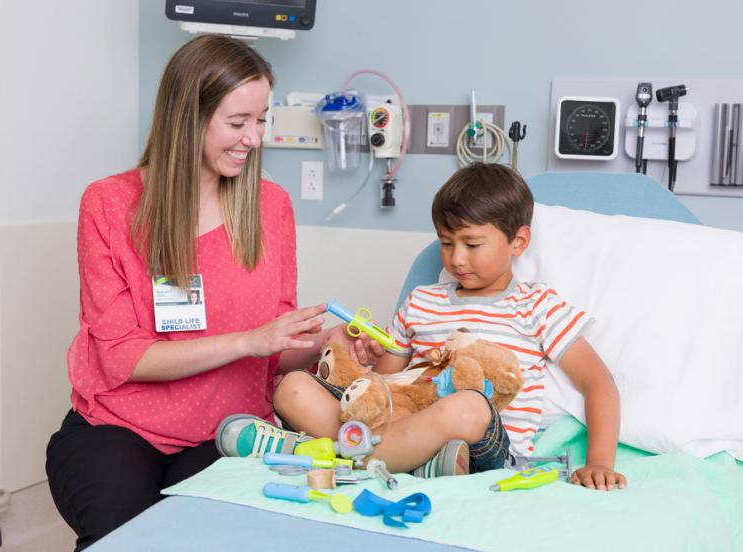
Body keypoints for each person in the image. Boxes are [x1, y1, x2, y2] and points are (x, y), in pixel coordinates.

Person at [45, 35, 381, 551]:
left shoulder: (270, 208)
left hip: (227, 432)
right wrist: (250, 340)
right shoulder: (109, 205)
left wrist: (330, 341)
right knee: (123, 541)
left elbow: (276, 351)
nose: (254, 138)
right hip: (118, 426)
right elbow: (121, 358)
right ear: (189, 117)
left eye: (263, 119)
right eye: (238, 122)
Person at [260, 163, 627, 490]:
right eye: (446, 243)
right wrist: (368, 359)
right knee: (293, 387)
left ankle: (344, 453)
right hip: (400, 424)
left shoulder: (537, 305)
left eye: (472, 243)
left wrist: (599, 461)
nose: (456, 258)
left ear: (519, 242)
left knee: (467, 406)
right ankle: (397, 458)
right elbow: (385, 385)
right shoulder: (421, 301)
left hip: (482, 445)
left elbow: (598, 382)